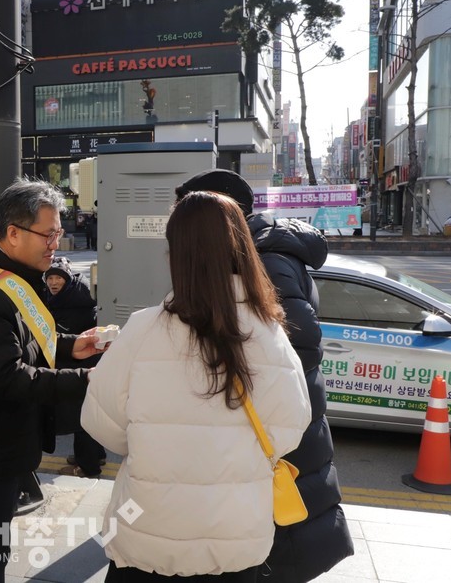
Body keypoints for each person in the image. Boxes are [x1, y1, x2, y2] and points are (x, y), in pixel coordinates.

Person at [81, 191, 311, 581]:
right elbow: (291, 429)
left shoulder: (142, 330)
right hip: (236, 543)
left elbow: (101, 424)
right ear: (243, 251)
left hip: (148, 539)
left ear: (177, 256)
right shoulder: (271, 334)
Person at [175, 169, 354, 582]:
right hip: (280, 422)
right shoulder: (259, 249)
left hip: (279, 429)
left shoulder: (266, 257)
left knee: (280, 540)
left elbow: (301, 342)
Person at [0, 178, 101, 582]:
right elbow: (11, 377)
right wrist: (88, 379)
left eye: (58, 233)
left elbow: (26, 340)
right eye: (48, 234)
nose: (56, 244)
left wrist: (71, 346)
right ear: (13, 233)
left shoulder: (8, 276)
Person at [43, 257, 106, 478]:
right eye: (49, 277)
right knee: (86, 416)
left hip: (81, 367)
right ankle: (96, 456)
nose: (53, 282)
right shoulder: (69, 296)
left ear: (67, 279)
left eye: (58, 277)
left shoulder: (74, 303)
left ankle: (87, 467)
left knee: (80, 419)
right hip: (83, 367)